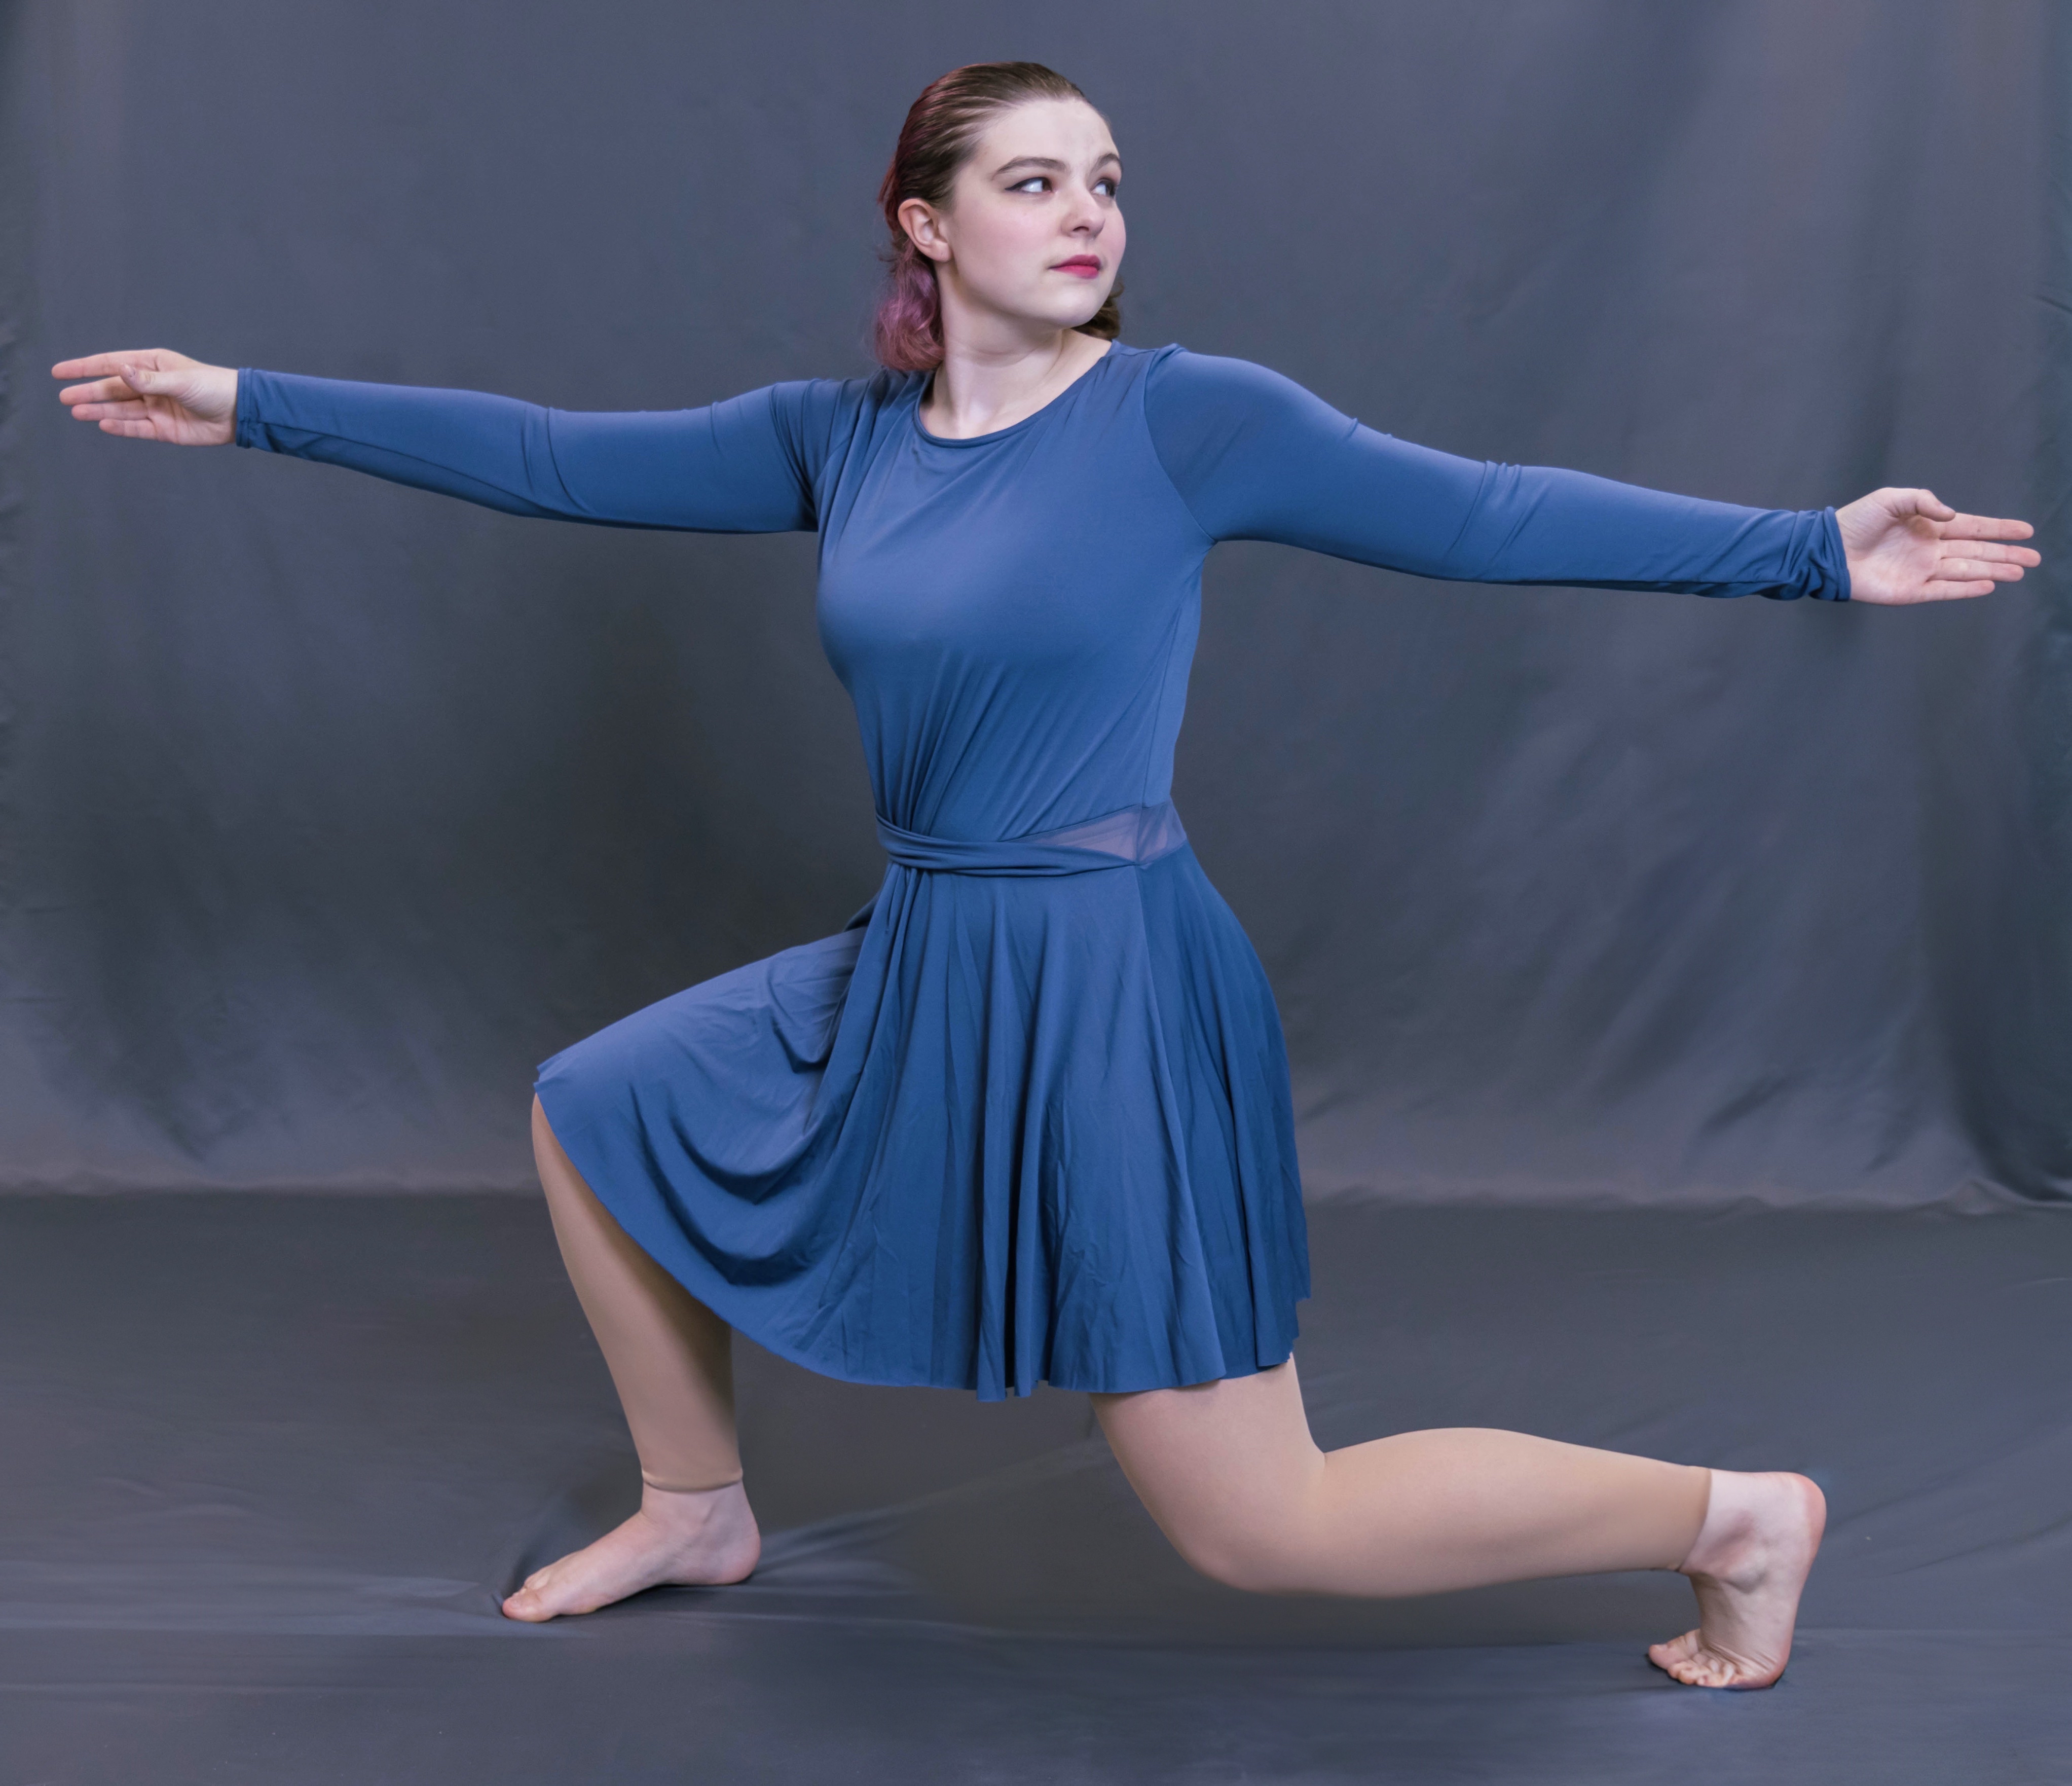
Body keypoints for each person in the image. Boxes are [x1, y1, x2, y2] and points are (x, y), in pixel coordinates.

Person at [54, 60, 2037, 1691]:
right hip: (931, 943)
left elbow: (1486, 512)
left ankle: (1729, 1513)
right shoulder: (841, 441)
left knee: (1258, 1519)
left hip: (1101, 975)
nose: (1086, 211)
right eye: (1030, 179)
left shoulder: (1186, 419)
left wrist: (1804, 546)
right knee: (600, 1102)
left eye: (1103, 178)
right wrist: (248, 405)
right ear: (923, 223)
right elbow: (554, 452)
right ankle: (693, 1499)